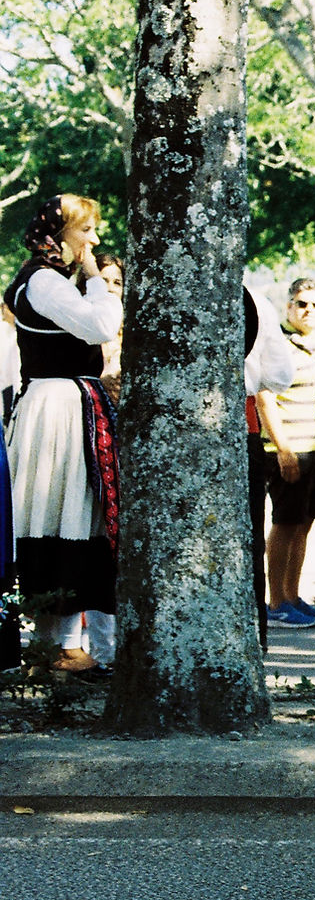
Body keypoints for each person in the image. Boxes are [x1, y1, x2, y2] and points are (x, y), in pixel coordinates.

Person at [4, 195, 122, 674]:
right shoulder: (45, 280)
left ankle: (56, 644)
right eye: (86, 230)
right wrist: (96, 276)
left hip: (59, 404)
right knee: (65, 511)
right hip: (60, 408)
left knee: (64, 513)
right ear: (60, 232)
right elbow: (102, 325)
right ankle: (59, 645)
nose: (93, 241)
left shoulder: (46, 279)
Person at [257, 278, 315, 628]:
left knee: (303, 526)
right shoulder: (280, 346)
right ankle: (276, 601)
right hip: (289, 448)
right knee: (284, 525)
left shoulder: (312, 347)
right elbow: (264, 396)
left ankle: (292, 595)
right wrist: (283, 448)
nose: (308, 311)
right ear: (288, 307)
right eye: (302, 304)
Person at [244, 285, 298, 651]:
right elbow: (279, 375)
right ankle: (251, 636)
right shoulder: (253, 297)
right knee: (248, 542)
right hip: (239, 427)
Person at [97, 254, 124, 404]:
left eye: (117, 283)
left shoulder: (129, 333)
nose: (110, 288)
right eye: (104, 281)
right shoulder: (78, 329)